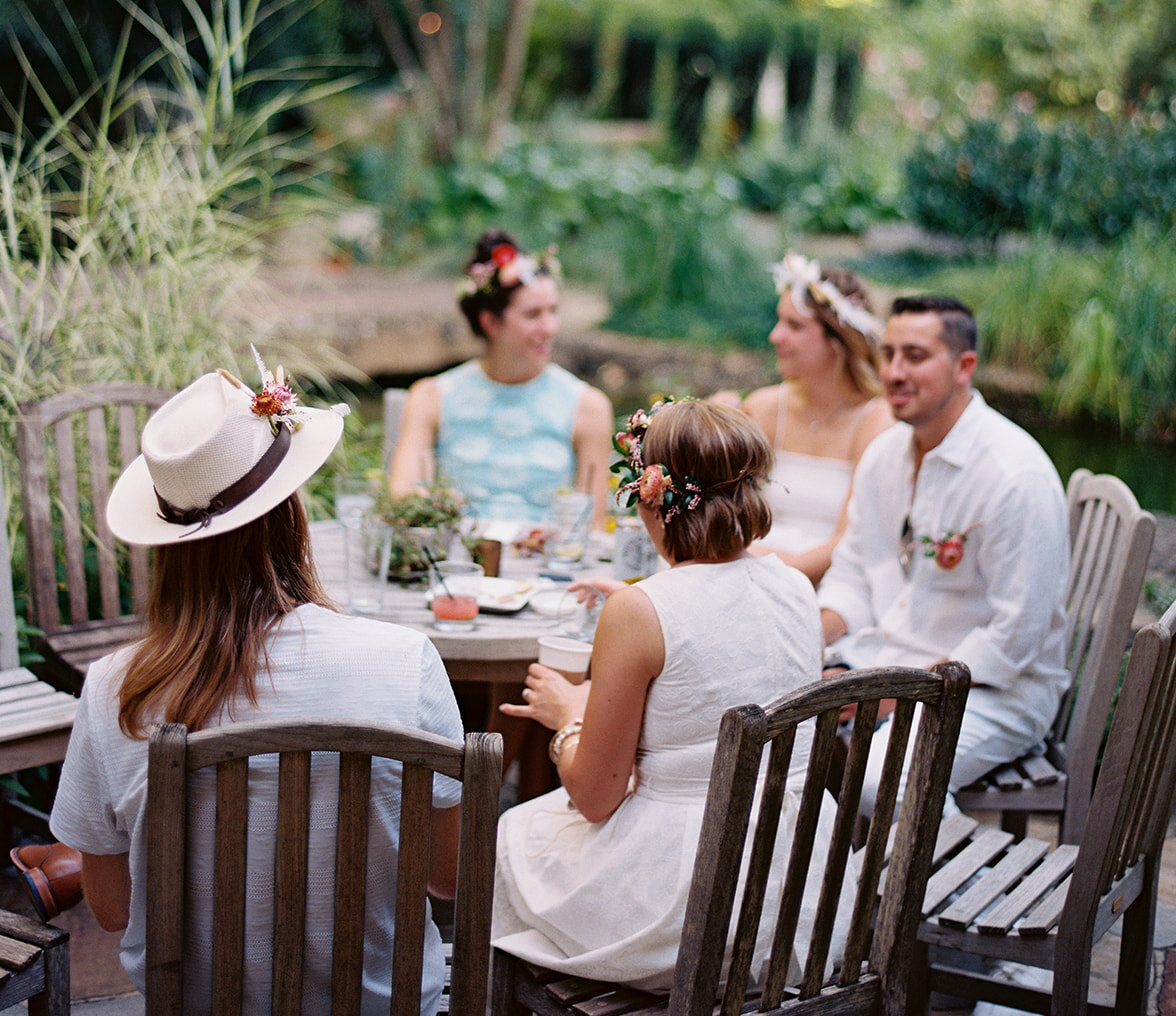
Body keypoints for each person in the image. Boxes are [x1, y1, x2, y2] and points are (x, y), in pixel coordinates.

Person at [48, 356, 464, 1016]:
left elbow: (111, 908)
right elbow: (448, 877)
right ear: (289, 513)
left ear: (170, 542)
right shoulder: (404, 660)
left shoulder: (113, 690)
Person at [491, 398, 854, 990]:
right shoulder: (793, 584)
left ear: (651, 494)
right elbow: (730, 643)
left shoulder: (639, 612)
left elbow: (596, 799)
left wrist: (567, 717)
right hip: (796, 896)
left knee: (512, 833)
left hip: (690, 911)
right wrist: (643, 603)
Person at [819, 296, 1070, 813]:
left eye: (914, 356)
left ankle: (970, 891)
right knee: (771, 712)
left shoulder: (1013, 476)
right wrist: (813, 647)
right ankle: (836, 885)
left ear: (964, 367)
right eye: (888, 354)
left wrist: (893, 695)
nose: (893, 372)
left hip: (998, 690)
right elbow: (854, 575)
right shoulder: (884, 456)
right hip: (890, 659)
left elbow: (1015, 637)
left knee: (879, 783)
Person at [388, 230, 613, 529]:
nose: (550, 327)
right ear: (491, 322)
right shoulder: (431, 397)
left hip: (547, 569)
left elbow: (593, 526)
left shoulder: (588, 406)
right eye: (533, 315)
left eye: (553, 312)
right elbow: (403, 498)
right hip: (457, 563)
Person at [738, 253, 893, 587]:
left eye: (794, 326)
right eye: (780, 321)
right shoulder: (762, 409)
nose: (775, 336)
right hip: (748, 571)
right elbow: (726, 512)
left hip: (834, 586)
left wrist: (771, 574)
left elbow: (853, 540)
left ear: (838, 340)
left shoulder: (879, 422)